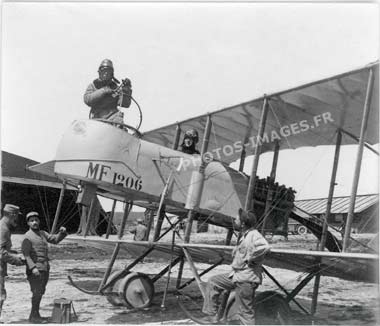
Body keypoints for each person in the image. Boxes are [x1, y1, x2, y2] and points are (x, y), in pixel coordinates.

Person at [201, 209, 270, 324]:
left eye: (237, 219)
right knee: (213, 282)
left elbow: (265, 247)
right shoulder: (245, 235)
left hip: (246, 280)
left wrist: (251, 259)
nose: (234, 220)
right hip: (237, 276)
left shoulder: (254, 235)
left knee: (244, 312)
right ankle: (212, 316)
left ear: (243, 223)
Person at [21, 212, 67, 323]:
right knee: (36, 292)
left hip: (45, 268)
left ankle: (35, 315)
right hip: (35, 270)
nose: (35, 222)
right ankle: (34, 317)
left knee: (40, 291)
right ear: (28, 223)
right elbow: (26, 255)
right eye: (32, 220)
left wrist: (62, 233)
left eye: (36, 220)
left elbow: (55, 240)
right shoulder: (27, 237)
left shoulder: (42, 233)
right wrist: (33, 268)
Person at [84, 59, 132, 124]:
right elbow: (87, 99)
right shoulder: (93, 86)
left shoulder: (115, 88)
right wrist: (103, 90)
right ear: (100, 72)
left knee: (119, 123)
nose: (106, 74)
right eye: (104, 71)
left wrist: (127, 90)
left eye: (108, 71)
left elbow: (125, 104)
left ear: (111, 74)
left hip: (113, 117)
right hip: (97, 118)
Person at [0, 204, 25, 322]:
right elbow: (1, 253)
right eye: (16, 216)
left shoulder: (3, 226)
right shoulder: (3, 229)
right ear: (12, 215)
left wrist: (14, 252)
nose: (17, 220)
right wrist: (18, 260)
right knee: (0, 296)